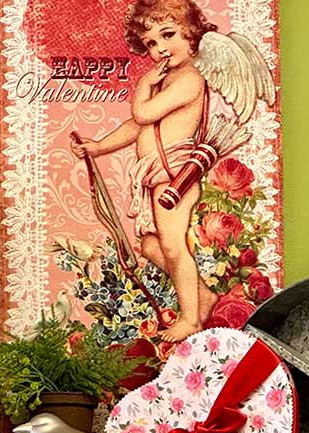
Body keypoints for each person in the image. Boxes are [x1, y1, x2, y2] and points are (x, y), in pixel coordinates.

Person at [71, 0, 219, 342]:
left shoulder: (190, 79)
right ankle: (203, 295)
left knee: (173, 247)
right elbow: (137, 126)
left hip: (175, 177)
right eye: (151, 43)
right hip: (156, 178)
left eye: (168, 35)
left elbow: (142, 114)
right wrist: (98, 146)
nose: (160, 48)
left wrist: (143, 86)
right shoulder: (167, 81)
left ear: (191, 34)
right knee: (151, 247)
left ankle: (190, 319)